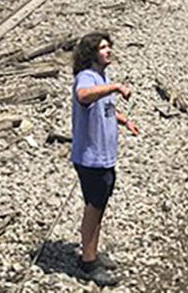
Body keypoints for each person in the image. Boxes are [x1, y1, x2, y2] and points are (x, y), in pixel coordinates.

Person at [70, 32, 138, 287]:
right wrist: (115, 87)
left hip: (105, 157)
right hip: (90, 158)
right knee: (93, 208)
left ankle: (92, 254)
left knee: (99, 207)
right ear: (91, 54)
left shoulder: (102, 76)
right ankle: (87, 263)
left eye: (109, 46)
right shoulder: (87, 77)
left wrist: (124, 120)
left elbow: (104, 107)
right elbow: (84, 96)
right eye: (102, 48)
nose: (108, 51)